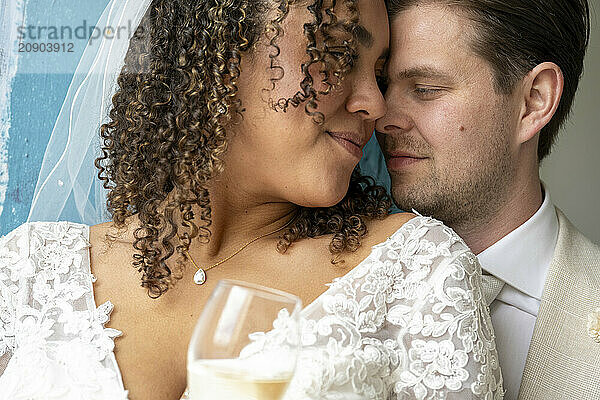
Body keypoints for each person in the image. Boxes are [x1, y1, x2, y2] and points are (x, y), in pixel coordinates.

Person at [0, 0, 504, 399]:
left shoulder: (416, 275)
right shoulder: (28, 272)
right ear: (220, 45)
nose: (373, 103)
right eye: (339, 53)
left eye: (378, 72)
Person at [373, 0, 599, 399]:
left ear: (534, 101)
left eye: (425, 90)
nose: (383, 117)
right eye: (382, 84)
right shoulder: (337, 282)